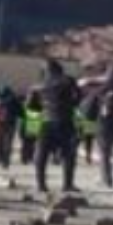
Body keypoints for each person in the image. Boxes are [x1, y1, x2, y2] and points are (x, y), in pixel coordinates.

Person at [34, 59, 80, 195]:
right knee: (69, 154)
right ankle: (67, 184)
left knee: (41, 155)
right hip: (65, 120)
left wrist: (43, 108)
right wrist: (71, 105)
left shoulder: (40, 84)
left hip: (46, 121)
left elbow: (32, 105)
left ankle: (41, 184)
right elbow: (78, 96)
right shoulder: (68, 80)